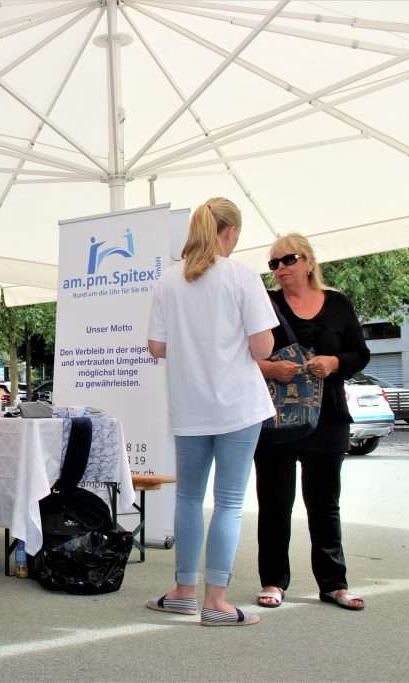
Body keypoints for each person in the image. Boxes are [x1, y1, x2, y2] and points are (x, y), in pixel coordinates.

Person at [145, 197, 277, 627]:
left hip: (190, 406)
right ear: (230, 232)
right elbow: (263, 348)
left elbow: (156, 347)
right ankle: (217, 601)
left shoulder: (169, 280)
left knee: (188, 497)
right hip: (238, 405)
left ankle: (183, 592)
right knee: (229, 502)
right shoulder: (241, 276)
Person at [254, 234, 369, 611]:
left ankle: (334, 583)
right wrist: (270, 368)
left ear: (308, 261)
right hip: (277, 420)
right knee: (274, 503)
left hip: (328, 416)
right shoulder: (265, 305)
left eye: (288, 260)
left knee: (325, 504)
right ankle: (273, 581)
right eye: (274, 263)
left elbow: (360, 353)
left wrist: (334, 363)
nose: (281, 268)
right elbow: (238, 355)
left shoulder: (337, 304)